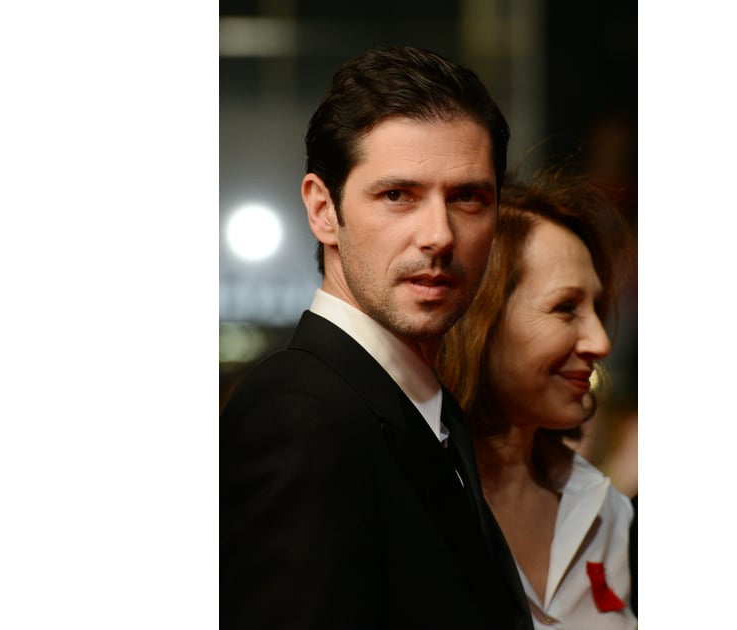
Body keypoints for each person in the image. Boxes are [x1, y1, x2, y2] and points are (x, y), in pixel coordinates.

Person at [223, 47, 531, 629]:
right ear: (323, 210)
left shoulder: (423, 408)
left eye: (468, 197)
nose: (439, 235)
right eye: (398, 195)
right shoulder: (299, 416)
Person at [438, 172, 637, 629]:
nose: (600, 342)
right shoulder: (405, 499)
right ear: (479, 318)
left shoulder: (604, 508)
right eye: (566, 308)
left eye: (597, 309)